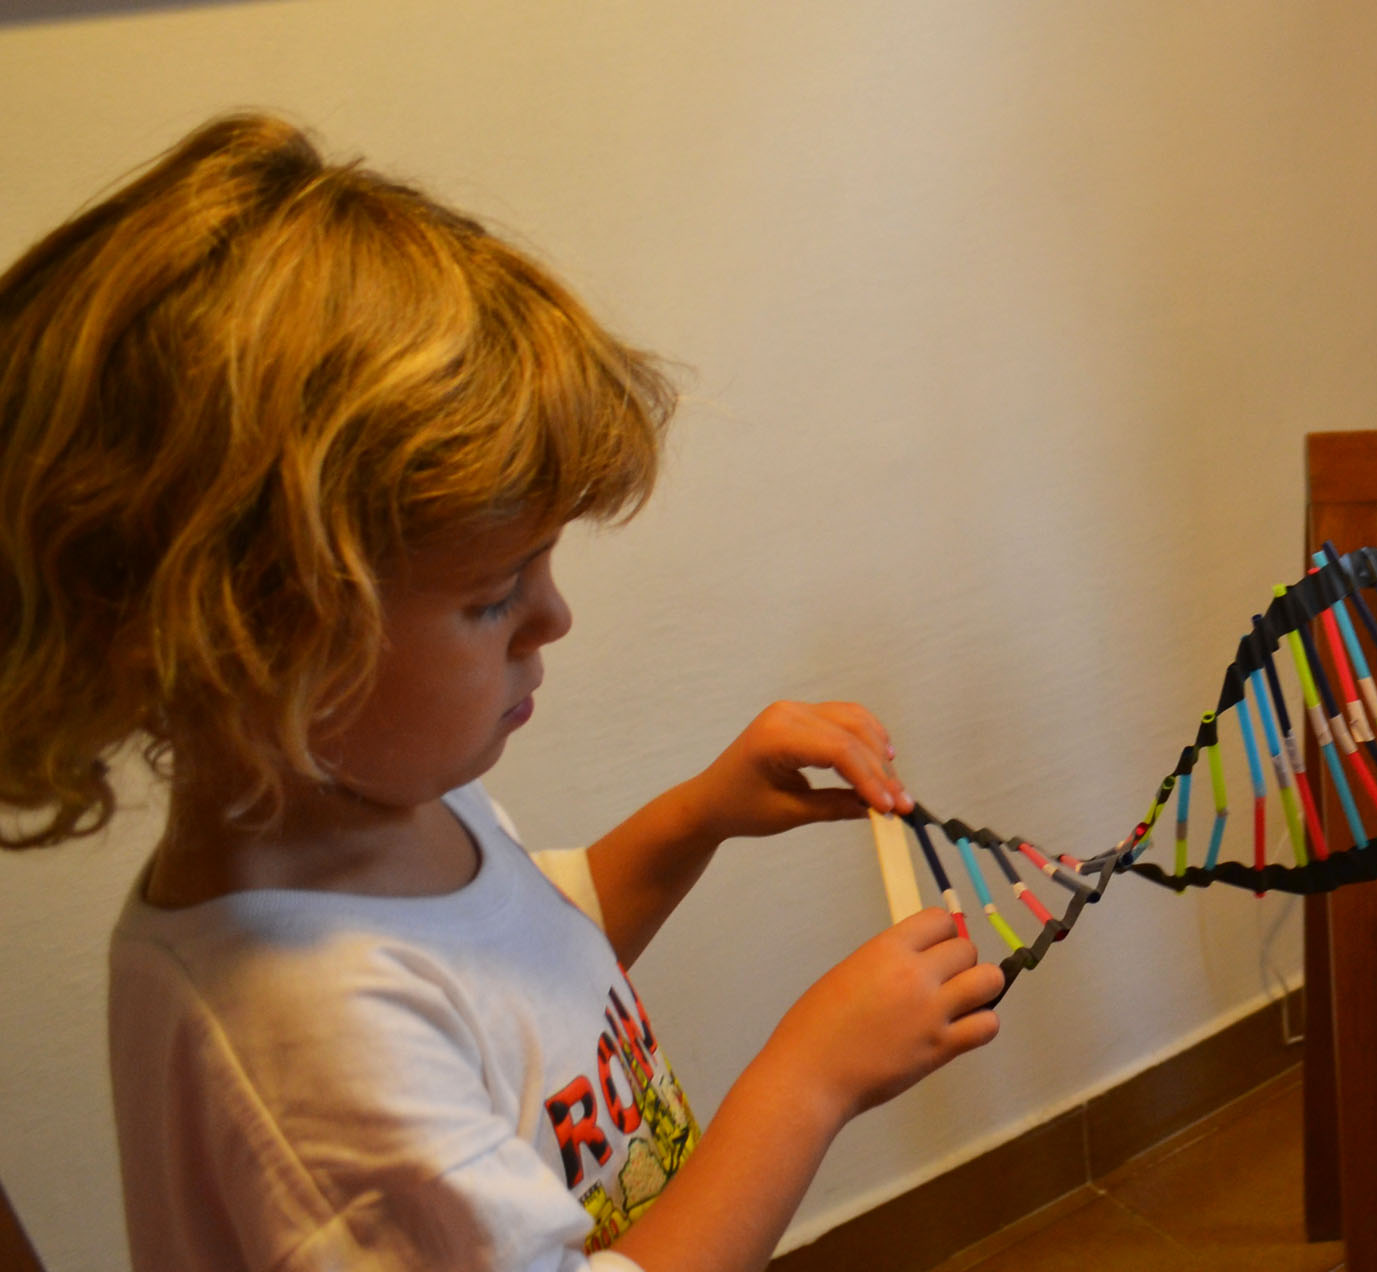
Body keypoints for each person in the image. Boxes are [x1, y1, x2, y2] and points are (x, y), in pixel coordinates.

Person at [0, 115, 1005, 1270]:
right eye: (492, 597)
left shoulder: (374, 798)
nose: (553, 617)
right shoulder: (310, 1043)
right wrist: (807, 1081)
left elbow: (525, 973)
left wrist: (698, 815)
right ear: (245, 642)